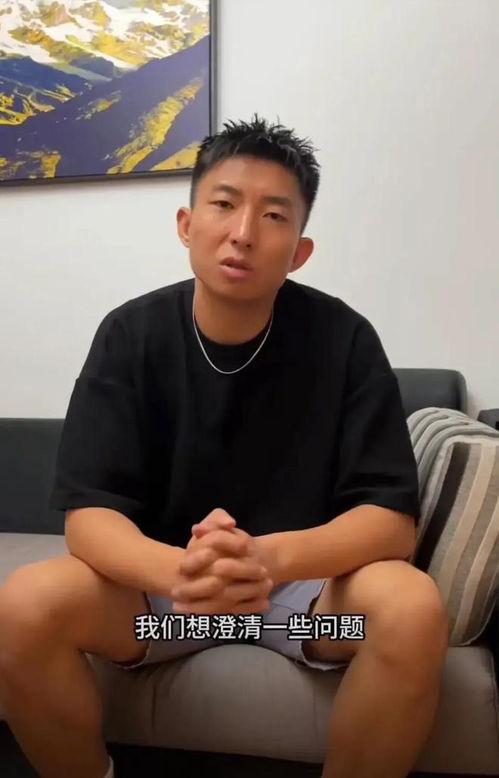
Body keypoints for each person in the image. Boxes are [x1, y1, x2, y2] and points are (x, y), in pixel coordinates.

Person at [0, 114, 449, 778]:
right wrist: (183, 574)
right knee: (25, 603)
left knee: (410, 607)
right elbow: (89, 518)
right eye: (223, 204)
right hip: (166, 613)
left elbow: (389, 522)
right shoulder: (130, 335)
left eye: (273, 215)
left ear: (299, 251)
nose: (243, 232)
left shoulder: (345, 340)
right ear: (187, 225)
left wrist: (267, 561)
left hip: (299, 615)